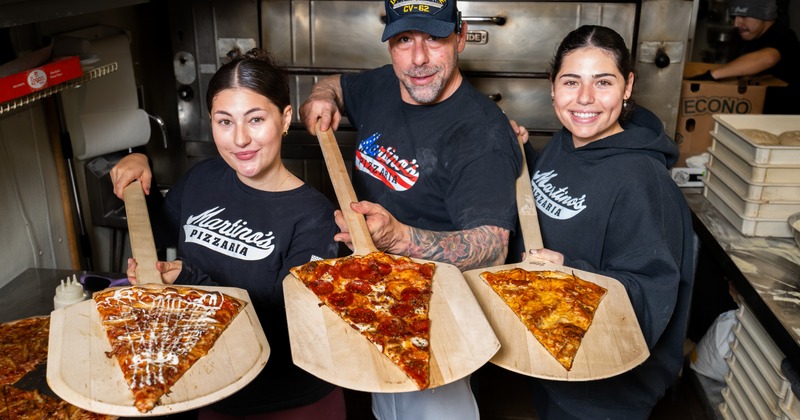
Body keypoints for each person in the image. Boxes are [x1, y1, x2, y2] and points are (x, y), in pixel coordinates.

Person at [298, 0, 522, 418]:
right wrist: (321, 97)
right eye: (404, 40)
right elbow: (336, 84)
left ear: (460, 36)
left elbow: (493, 248)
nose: (418, 59)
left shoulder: (482, 136)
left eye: (434, 38)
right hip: (374, 295)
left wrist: (399, 238)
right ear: (390, 45)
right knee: (385, 408)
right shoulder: (386, 82)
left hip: (437, 322)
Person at [109, 49, 346, 420]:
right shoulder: (202, 178)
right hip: (210, 388)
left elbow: (288, 326)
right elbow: (160, 232)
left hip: (287, 402)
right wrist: (141, 168)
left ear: (285, 119)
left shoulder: (316, 218)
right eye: (225, 121)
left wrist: (188, 283)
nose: (239, 139)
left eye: (255, 119)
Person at [516, 25, 695, 419]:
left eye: (603, 82)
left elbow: (653, 293)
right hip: (554, 358)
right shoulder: (565, 142)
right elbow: (567, 204)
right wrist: (524, 154)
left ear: (627, 86)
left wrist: (569, 273)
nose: (584, 98)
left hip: (603, 393)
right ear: (552, 86)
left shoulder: (641, 181)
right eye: (571, 81)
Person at [687, 0, 800, 113]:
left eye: (743, 16)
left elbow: (769, 58)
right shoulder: (746, 38)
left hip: (783, 116)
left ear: (764, 15)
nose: (736, 24)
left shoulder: (783, 35)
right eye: (734, 17)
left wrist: (711, 76)